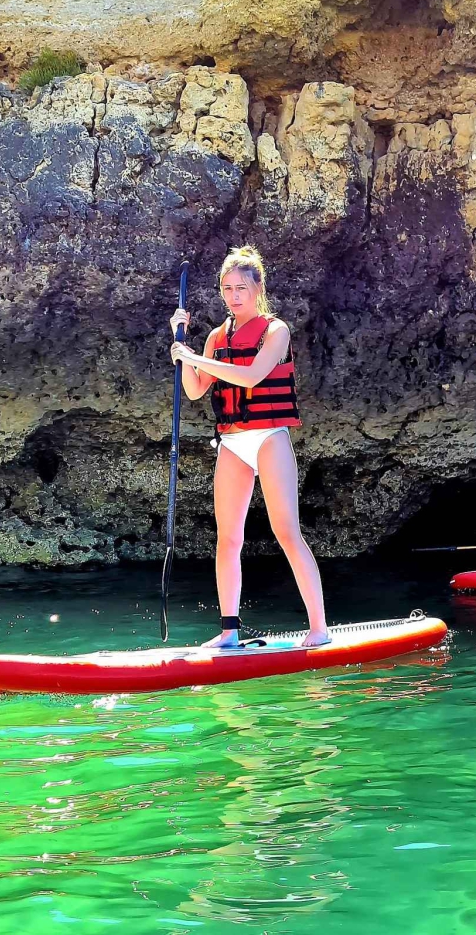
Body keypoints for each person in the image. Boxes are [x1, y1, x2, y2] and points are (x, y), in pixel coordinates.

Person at [169, 246, 329, 649]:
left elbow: (253, 377)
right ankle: (229, 631)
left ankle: (319, 628)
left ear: (258, 288)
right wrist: (180, 347)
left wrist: (194, 357)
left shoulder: (276, 331)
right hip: (233, 442)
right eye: (227, 288)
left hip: (269, 437)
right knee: (227, 538)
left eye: (241, 287)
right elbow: (194, 390)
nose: (234, 295)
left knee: (286, 531)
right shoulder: (216, 337)